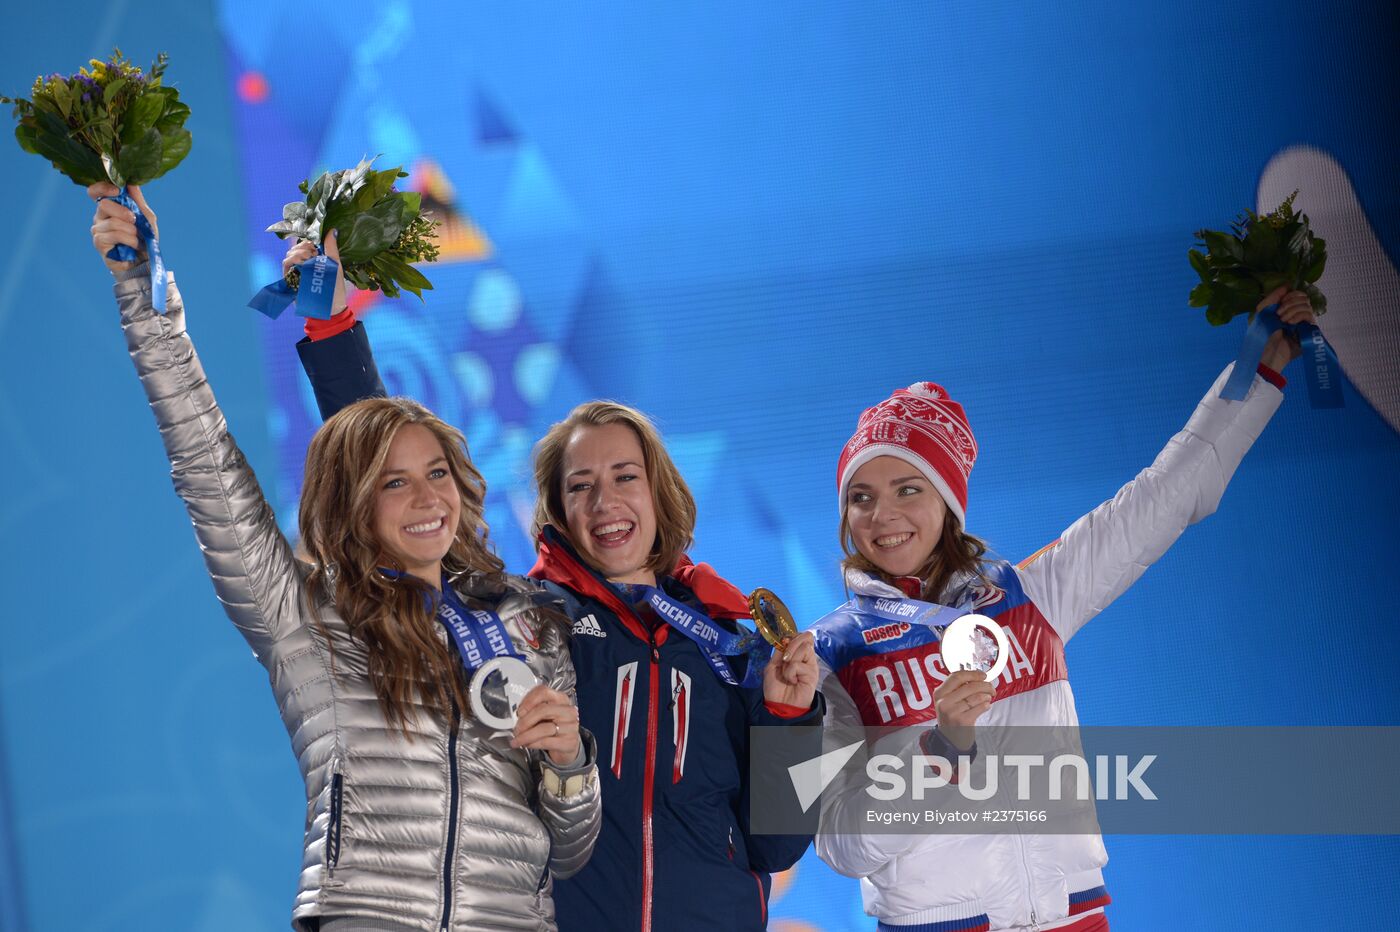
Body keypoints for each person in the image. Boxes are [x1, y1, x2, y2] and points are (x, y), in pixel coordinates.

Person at [88, 185, 601, 932]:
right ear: (351, 501)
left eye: (437, 473)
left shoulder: (529, 624)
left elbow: (571, 850)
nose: (427, 498)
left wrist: (568, 769)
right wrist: (142, 295)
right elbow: (205, 464)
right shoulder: (306, 617)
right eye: (394, 482)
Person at [285, 240, 824, 931]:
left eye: (625, 477)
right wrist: (332, 331)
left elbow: (780, 843)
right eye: (581, 486)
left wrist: (790, 718)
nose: (606, 501)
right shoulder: (525, 620)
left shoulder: (732, 643)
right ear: (557, 511)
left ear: (658, 490)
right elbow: (389, 489)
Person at [809, 294, 1316, 932]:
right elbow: (840, 846)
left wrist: (1257, 371)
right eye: (861, 497)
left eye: (908, 489)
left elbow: (1164, 496)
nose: (882, 515)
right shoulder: (830, 653)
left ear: (947, 503)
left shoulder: (1030, 596)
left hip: (1072, 918)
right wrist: (940, 753)